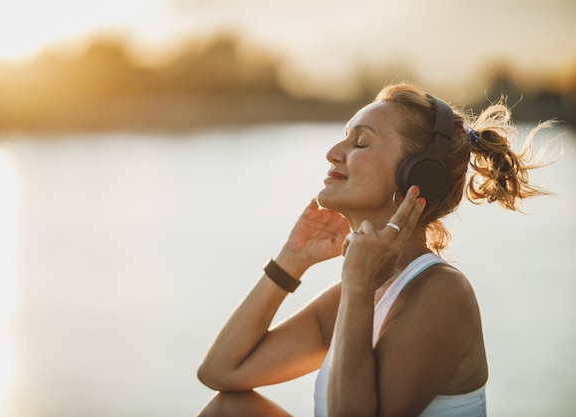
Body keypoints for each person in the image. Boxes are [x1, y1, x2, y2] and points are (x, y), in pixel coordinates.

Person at [196, 82, 552, 417]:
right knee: (229, 410)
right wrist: (293, 259)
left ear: (418, 177)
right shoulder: (357, 294)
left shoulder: (442, 293)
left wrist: (358, 285)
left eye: (361, 143)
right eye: (343, 139)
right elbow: (221, 372)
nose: (333, 153)